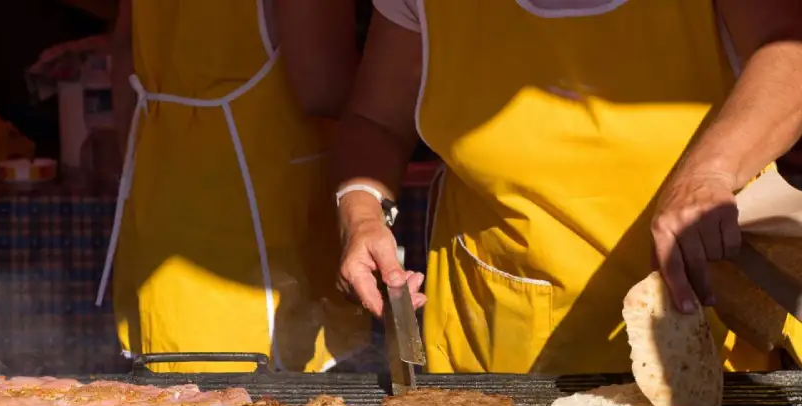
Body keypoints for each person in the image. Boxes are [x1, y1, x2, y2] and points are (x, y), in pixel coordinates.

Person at [334, 0, 802, 374]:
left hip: (704, 332)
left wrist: (708, 174)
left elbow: (790, 57)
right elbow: (375, 120)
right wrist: (361, 211)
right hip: (496, 345)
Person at [102, 0, 369, 373]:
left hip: (161, 195)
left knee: (178, 404)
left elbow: (123, 52)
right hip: (259, 220)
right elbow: (323, 85)